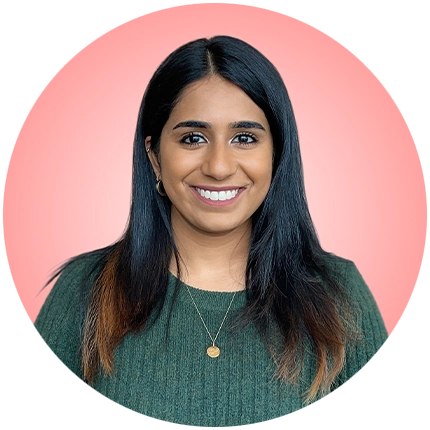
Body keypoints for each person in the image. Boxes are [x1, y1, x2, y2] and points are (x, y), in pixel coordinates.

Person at [17, 35, 413, 427]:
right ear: (154, 156)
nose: (219, 166)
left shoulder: (342, 292)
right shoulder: (84, 288)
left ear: (276, 154)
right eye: (193, 138)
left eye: (245, 138)